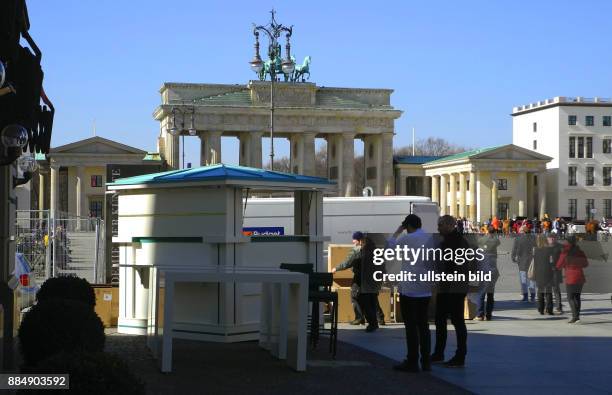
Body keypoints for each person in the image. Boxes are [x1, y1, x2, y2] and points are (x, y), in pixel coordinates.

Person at [388, 214, 434, 373]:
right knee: (423, 325)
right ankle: (426, 360)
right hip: (425, 288)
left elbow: (389, 249)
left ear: (407, 226)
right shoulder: (429, 238)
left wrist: (396, 232)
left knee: (411, 327)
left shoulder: (406, 239)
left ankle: (412, 360)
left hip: (409, 288)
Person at [431, 215, 472, 368]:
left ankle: (460, 355)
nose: (438, 228)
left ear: (450, 225)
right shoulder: (448, 241)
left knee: (457, 321)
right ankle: (439, 353)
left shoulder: (458, 242)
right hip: (447, 286)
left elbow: (456, 265)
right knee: (440, 320)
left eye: (440, 224)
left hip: (454, 287)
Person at [332, 231, 385, 326]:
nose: (353, 241)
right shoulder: (374, 249)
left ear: (360, 240)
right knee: (372, 297)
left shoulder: (357, 250)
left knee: (354, 295)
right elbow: (381, 265)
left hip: (360, 277)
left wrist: (336, 268)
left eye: (354, 239)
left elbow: (347, 263)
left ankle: (359, 318)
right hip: (374, 277)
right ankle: (380, 318)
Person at [556, 237, 589, 323]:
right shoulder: (580, 252)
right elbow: (585, 264)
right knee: (577, 297)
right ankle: (577, 315)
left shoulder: (565, 252)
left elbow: (559, 265)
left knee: (570, 297)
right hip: (580, 276)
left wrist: (563, 266)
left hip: (570, 277)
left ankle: (575, 317)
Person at [357, 235, 382, 332]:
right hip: (375, 282)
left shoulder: (363, 253)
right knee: (373, 302)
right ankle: (375, 322)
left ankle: (372, 323)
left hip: (366, 283)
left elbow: (357, 266)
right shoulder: (377, 253)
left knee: (366, 304)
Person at [475, 226, 500, 320]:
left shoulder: (481, 240)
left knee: (481, 293)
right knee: (490, 294)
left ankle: (480, 314)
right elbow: (498, 241)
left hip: (483, 269)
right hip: (492, 270)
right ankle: (488, 314)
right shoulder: (495, 241)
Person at [511, 225, 536, 302]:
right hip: (531, 260)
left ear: (522, 231)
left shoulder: (518, 239)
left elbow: (515, 249)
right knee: (531, 278)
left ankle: (525, 296)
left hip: (522, 261)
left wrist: (513, 257)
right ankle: (532, 296)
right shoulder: (533, 237)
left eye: (520, 230)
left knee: (523, 279)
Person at [533, 234, 554, 315]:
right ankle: (549, 309)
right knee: (548, 291)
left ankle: (540, 308)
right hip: (548, 272)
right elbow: (552, 261)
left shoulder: (536, 250)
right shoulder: (549, 250)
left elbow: (535, 263)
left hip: (539, 272)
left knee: (540, 291)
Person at [547, 234, 564, 314]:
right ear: (547, 239)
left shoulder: (560, 247)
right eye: (550, 238)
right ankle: (549, 308)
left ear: (556, 239)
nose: (552, 240)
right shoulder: (545, 247)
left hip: (556, 271)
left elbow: (564, 258)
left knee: (556, 289)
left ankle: (559, 307)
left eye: (553, 238)